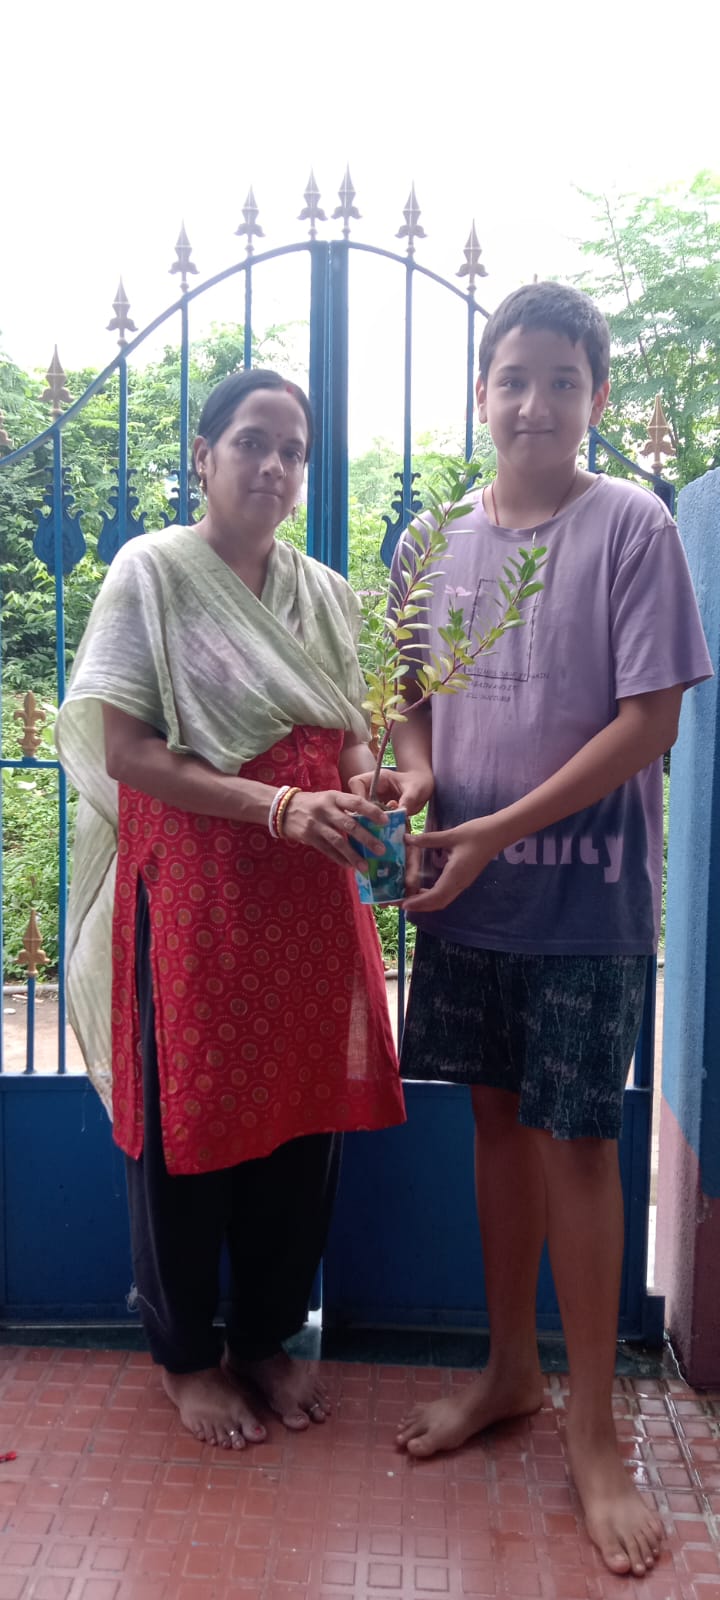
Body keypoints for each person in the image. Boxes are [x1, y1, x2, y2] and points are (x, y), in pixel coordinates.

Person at [366, 284, 712, 1579]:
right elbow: (408, 701)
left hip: (583, 906)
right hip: (469, 903)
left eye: (563, 380)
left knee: (579, 1145)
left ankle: (596, 1434)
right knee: (498, 1125)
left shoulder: (632, 527)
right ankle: (510, 1370)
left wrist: (496, 827)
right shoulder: (429, 541)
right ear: (481, 392)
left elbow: (650, 722)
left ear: (596, 397)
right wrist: (414, 778)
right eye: (513, 378)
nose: (535, 403)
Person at [56, 368, 405, 1451]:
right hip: (198, 896)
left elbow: (350, 729)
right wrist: (279, 805)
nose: (274, 465)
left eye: (293, 450)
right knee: (186, 1124)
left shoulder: (326, 593)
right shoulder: (153, 573)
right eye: (252, 442)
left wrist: (369, 782)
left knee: (301, 1122)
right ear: (203, 455)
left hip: (309, 898)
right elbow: (126, 752)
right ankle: (186, 1358)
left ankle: (262, 1336)